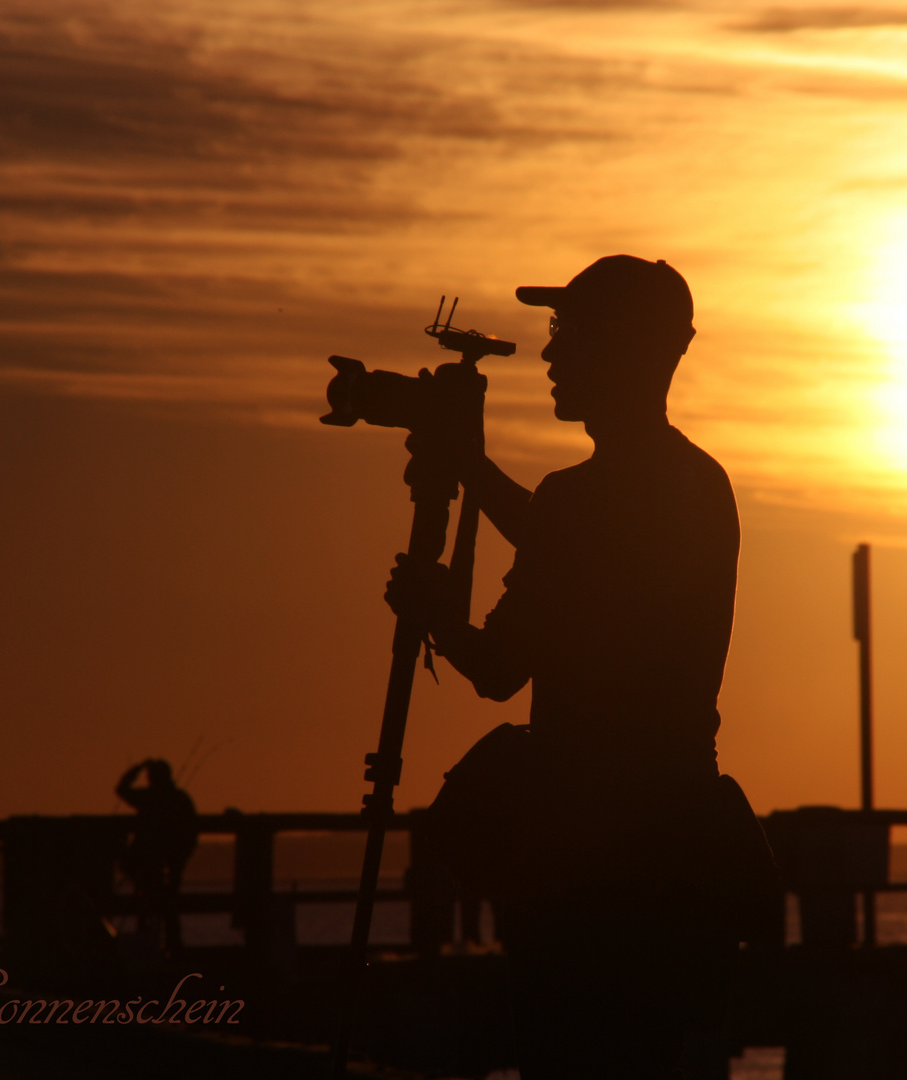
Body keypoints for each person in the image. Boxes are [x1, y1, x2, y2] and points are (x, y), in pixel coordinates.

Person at [387, 255, 764, 1079]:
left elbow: (496, 666)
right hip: (674, 858)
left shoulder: (582, 499)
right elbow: (589, 557)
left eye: (569, 334)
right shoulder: (698, 484)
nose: (553, 355)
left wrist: (435, 613)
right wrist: (475, 470)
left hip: (581, 873)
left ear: (624, 351)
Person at [115, 759, 198, 954]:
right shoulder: (180, 798)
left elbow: (122, 789)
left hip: (146, 863)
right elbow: (192, 834)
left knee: (146, 907)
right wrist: (180, 860)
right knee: (169, 908)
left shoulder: (148, 797)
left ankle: (146, 949)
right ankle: (174, 947)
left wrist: (135, 769)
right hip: (171, 863)